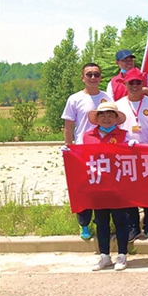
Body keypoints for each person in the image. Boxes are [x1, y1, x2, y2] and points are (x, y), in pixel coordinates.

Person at [61, 62, 112, 240]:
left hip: (104, 150)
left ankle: (101, 222)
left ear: (100, 77)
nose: (92, 77)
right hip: (82, 152)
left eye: (96, 74)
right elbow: (68, 127)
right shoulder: (74, 99)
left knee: (102, 188)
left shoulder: (107, 98)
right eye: (89, 74)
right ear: (82, 77)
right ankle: (84, 224)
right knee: (84, 189)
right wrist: (69, 147)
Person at [82, 102, 131, 271]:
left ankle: (122, 255)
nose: (106, 118)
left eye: (110, 115)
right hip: (98, 186)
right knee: (101, 222)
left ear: (116, 118)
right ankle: (104, 256)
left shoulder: (125, 135)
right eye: (103, 115)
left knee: (120, 221)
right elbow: (82, 158)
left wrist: (133, 148)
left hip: (118, 186)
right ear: (97, 118)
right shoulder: (88, 136)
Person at [116, 68, 148, 243]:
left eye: (138, 82)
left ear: (143, 84)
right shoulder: (118, 105)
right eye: (131, 82)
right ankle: (133, 227)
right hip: (126, 154)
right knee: (129, 191)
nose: (135, 86)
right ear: (125, 84)